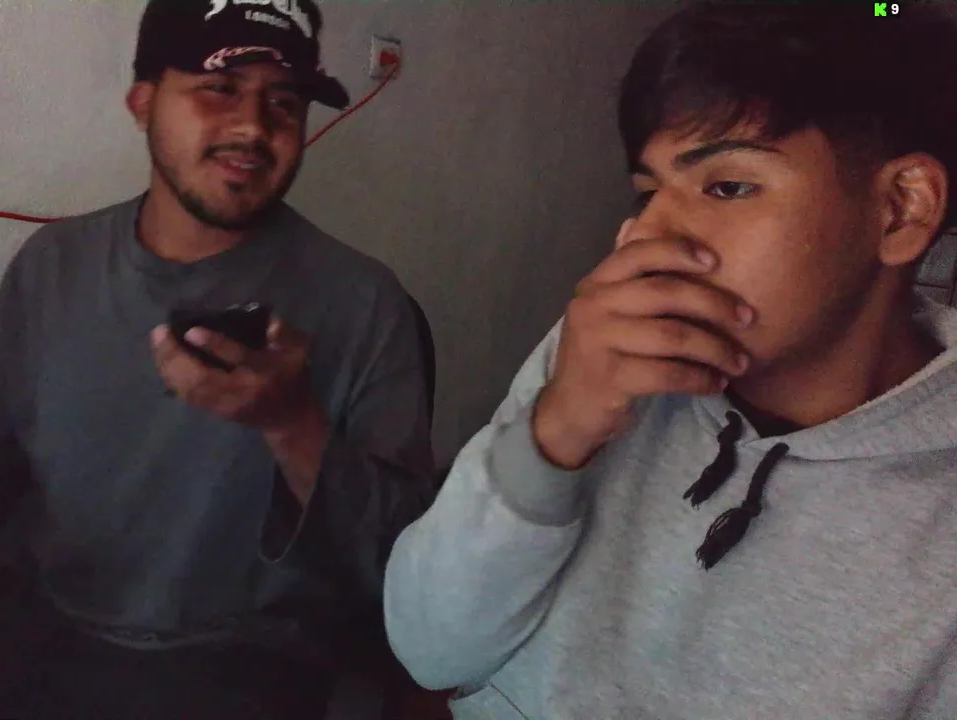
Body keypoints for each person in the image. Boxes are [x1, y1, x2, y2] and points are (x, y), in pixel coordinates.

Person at [384, 3, 957, 719]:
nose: (642, 236)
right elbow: (430, 651)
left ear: (900, 209)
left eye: (727, 186)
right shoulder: (605, 355)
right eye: (648, 193)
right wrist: (552, 436)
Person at [0, 1, 435, 718]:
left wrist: (292, 424)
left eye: (283, 101)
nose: (253, 127)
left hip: (239, 663)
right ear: (143, 103)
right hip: (40, 624)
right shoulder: (55, 265)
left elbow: (405, 562)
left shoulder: (364, 304)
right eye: (219, 88)